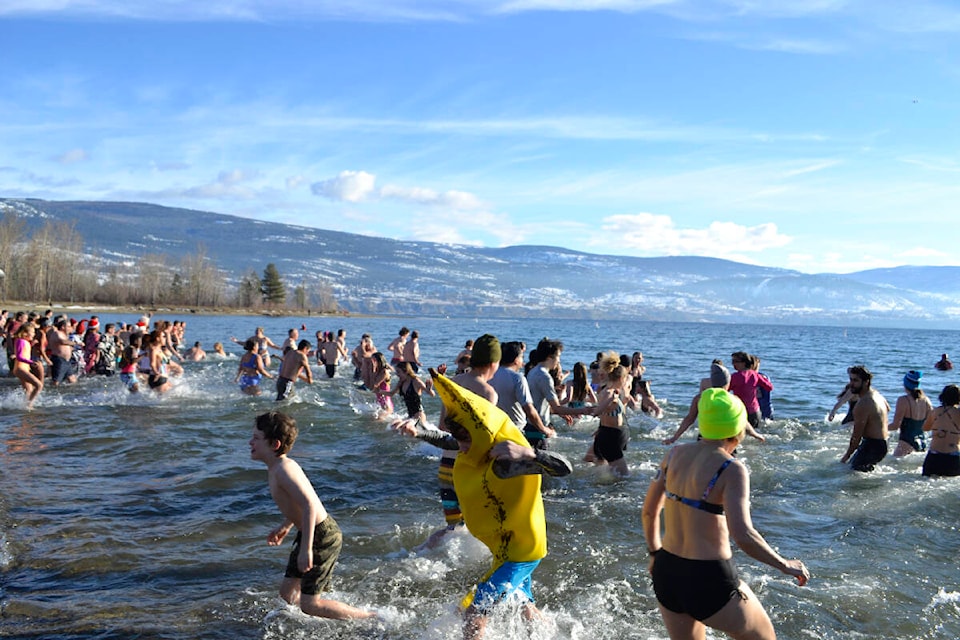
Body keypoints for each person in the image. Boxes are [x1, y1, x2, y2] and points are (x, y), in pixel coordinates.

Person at [642, 388, 809, 640]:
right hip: (708, 579)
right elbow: (743, 535)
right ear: (738, 430)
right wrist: (785, 565)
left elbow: (649, 512)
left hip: (667, 572)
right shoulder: (732, 469)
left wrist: (655, 553)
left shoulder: (673, 454)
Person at [428, 367, 572, 640]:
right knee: (525, 607)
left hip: (521, 553)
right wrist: (418, 432)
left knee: (473, 613)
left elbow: (565, 468)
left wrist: (527, 452)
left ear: (483, 434)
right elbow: (449, 439)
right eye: (459, 441)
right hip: (506, 548)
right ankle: (557, 635)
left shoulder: (506, 462)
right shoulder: (473, 449)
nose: (462, 448)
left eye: (466, 441)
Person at [248, 411, 375, 620]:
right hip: (309, 532)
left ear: (274, 444)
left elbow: (309, 505)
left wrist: (305, 550)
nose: (250, 442)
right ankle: (323, 614)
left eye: (256, 438)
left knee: (309, 604)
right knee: (288, 595)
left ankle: (370, 617)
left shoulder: (284, 470)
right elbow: (301, 504)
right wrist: (286, 525)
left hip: (321, 536)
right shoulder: (277, 468)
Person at [663, 361, 764, 445]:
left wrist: (674, 438)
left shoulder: (700, 398)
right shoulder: (734, 399)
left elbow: (689, 419)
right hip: (726, 441)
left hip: (705, 438)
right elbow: (742, 421)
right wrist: (755, 434)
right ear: (728, 383)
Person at [840, 365, 890, 472]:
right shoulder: (877, 395)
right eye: (851, 380)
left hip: (872, 445)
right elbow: (888, 409)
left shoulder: (862, 404)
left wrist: (846, 456)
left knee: (852, 474)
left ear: (866, 382)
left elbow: (856, 436)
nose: (851, 384)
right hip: (882, 443)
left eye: (855, 381)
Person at [889, 370, 933, 457]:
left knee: (895, 465)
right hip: (922, 441)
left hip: (906, 441)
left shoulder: (903, 400)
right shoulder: (926, 400)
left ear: (905, 384)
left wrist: (880, 429)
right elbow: (931, 424)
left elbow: (895, 425)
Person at [728, 352, 773, 433]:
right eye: (732, 361)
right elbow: (769, 387)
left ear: (744, 363)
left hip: (740, 412)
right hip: (755, 411)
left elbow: (724, 391)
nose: (733, 364)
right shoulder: (755, 375)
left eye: (735, 361)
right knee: (755, 435)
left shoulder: (734, 377)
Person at [921, 384, 960, 477]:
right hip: (952, 457)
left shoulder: (935, 412)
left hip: (934, 456)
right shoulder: (958, 413)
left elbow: (925, 428)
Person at [12, 323, 44, 408]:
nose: (34, 334)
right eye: (32, 332)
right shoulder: (20, 341)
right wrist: (31, 362)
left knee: (29, 390)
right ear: (25, 333)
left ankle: (24, 405)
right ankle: (29, 405)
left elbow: (23, 353)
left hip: (24, 369)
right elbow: (19, 357)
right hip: (20, 369)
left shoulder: (25, 342)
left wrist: (32, 344)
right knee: (39, 385)